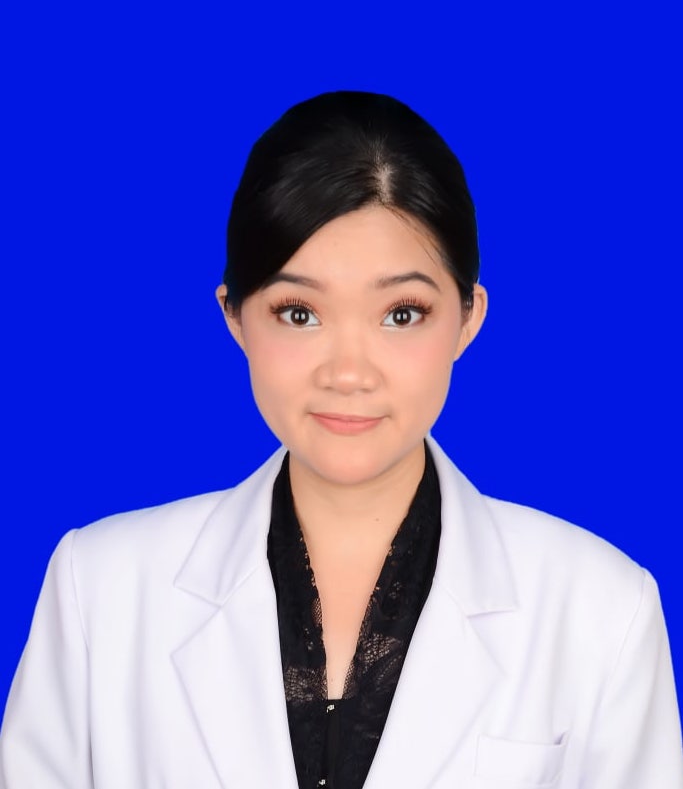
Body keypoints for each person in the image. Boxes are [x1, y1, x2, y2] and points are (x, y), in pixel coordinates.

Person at [1, 90, 681, 789]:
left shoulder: (602, 611)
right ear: (233, 317)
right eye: (299, 312)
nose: (349, 372)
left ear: (467, 319)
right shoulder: (101, 589)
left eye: (401, 313)